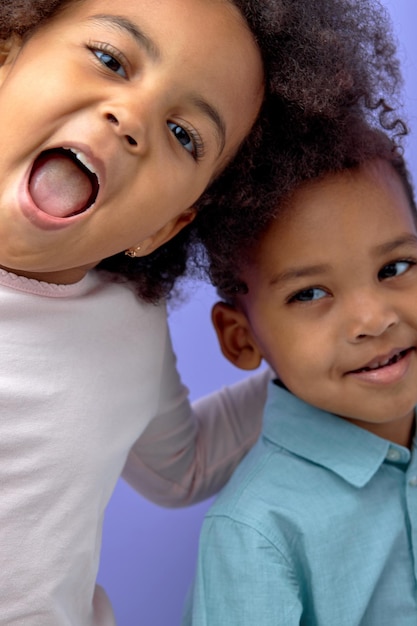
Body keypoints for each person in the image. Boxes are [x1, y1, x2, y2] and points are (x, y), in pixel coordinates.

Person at [0, 0, 403, 624]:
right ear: (8, 54)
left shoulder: (127, 328)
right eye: (110, 59)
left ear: (166, 224)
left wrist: (316, 355)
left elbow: (182, 469)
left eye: (184, 135)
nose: (132, 118)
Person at [183, 116, 417, 624]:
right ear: (241, 338)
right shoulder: (255, 529)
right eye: (309, 294)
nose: (374, 320)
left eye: (395, 268)